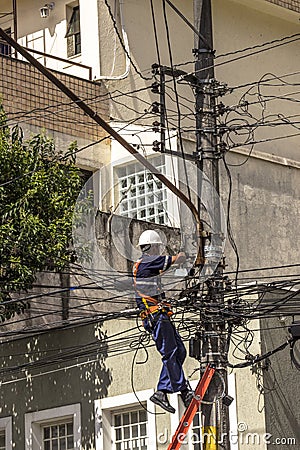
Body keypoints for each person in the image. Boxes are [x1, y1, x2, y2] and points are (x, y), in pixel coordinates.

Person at [133, 229, 193, 413]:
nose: (160, 250)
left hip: (160, 316)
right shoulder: (147, 262)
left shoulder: (149, 266)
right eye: (158, 247)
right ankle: (182, 390)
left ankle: (163, 390)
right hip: (156, 316)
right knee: (171, 352)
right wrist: (187, 255)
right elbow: (176, 259)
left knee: (179, 351)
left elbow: (169, 269)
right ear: (151, 248)